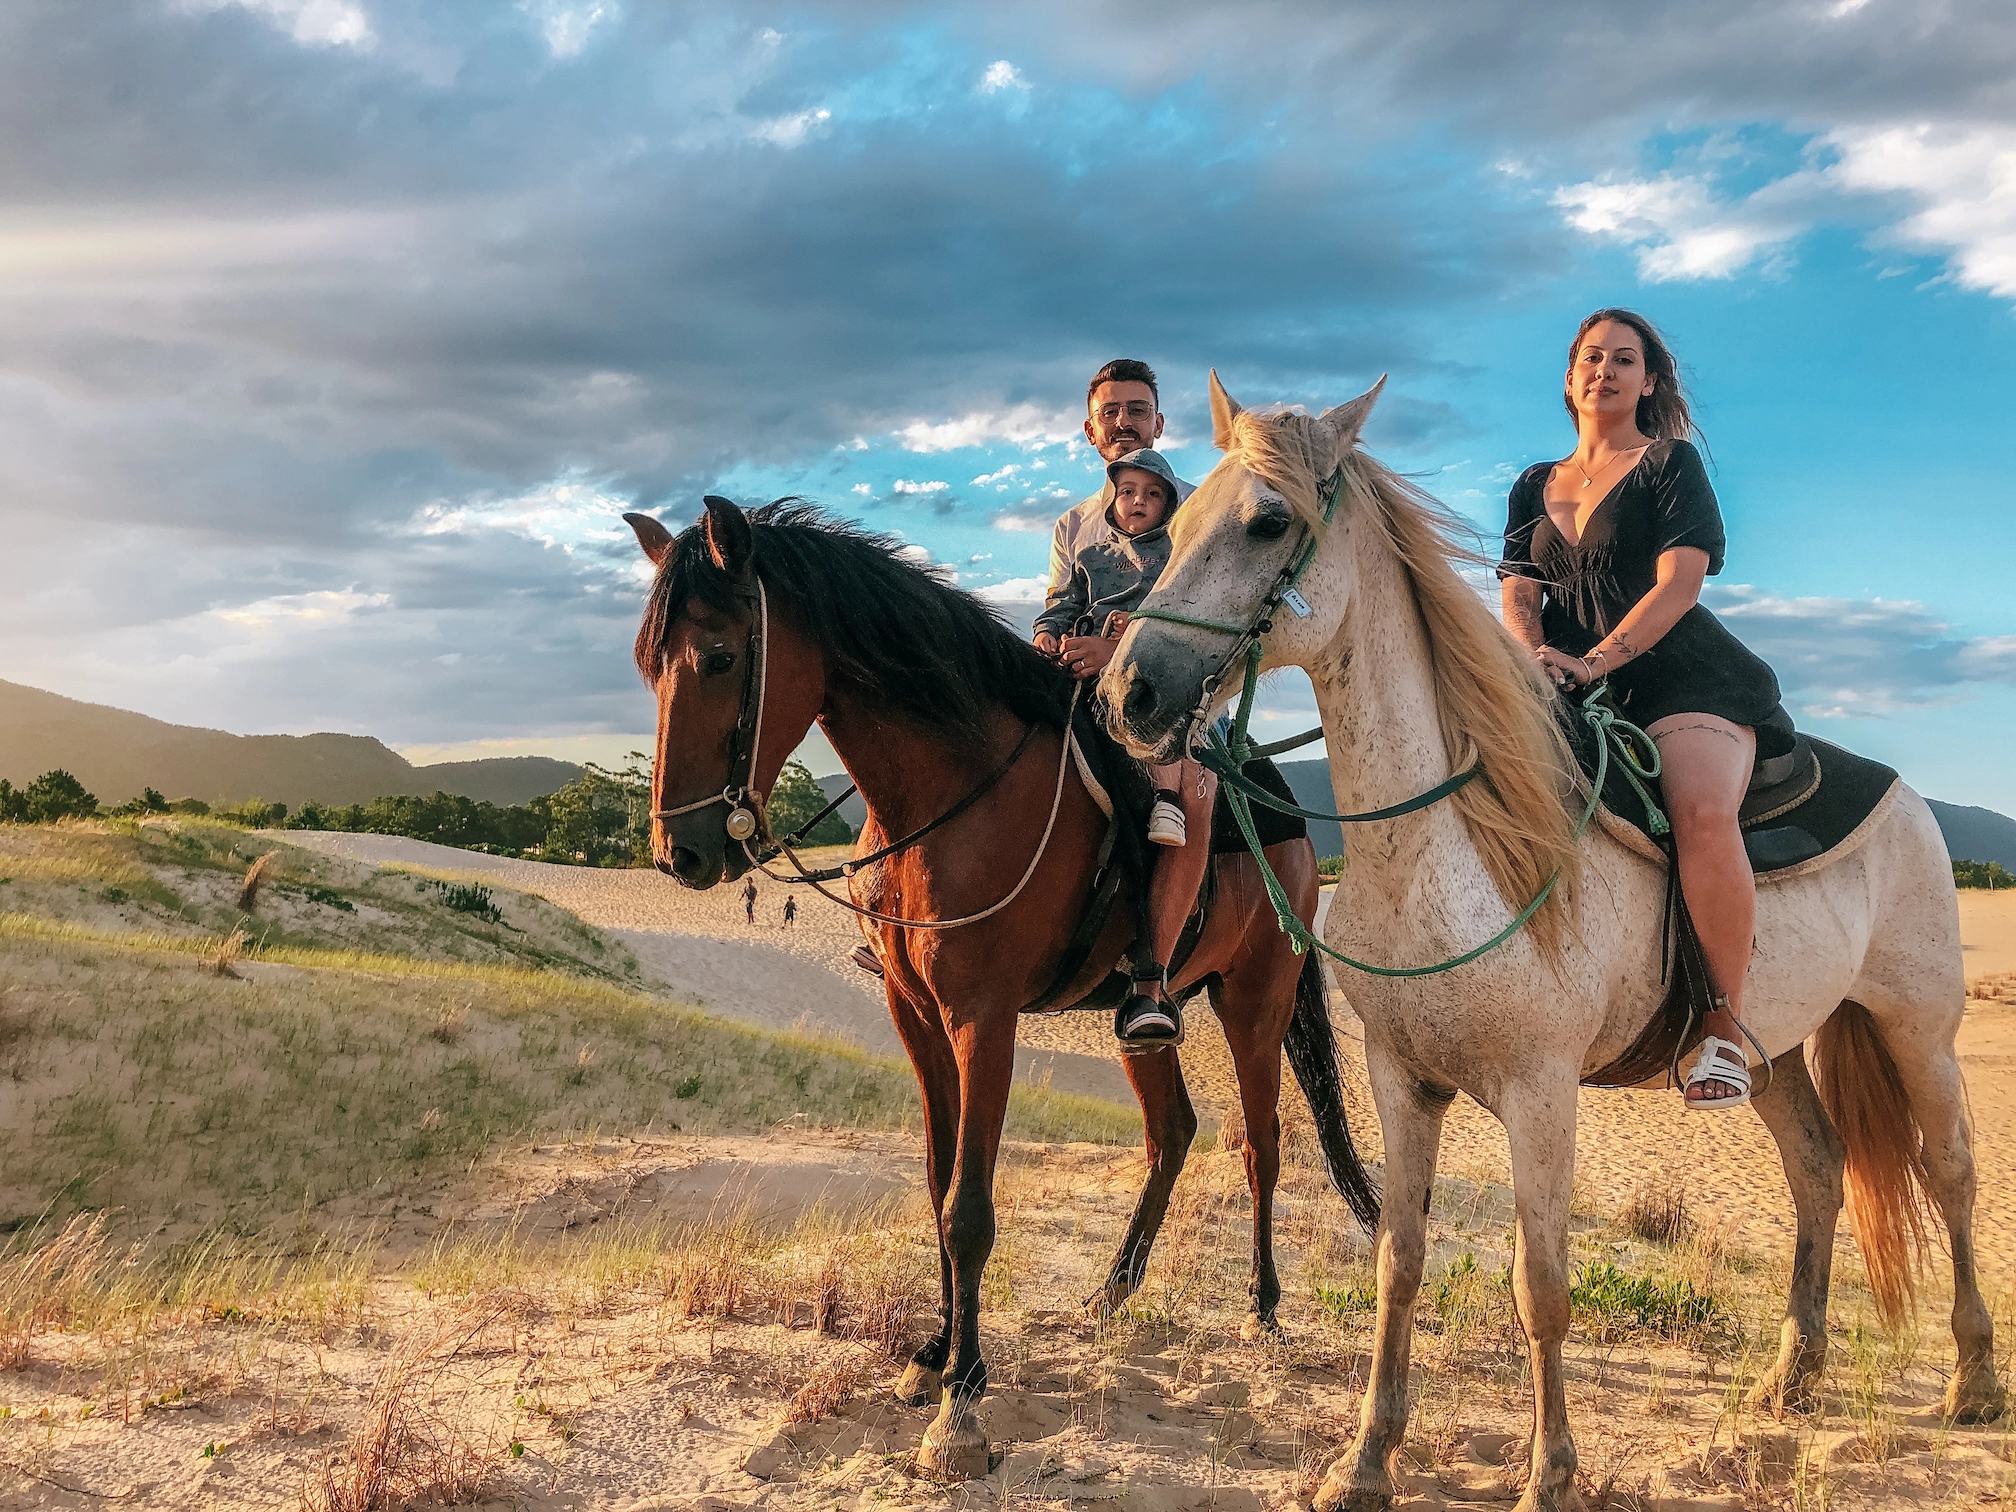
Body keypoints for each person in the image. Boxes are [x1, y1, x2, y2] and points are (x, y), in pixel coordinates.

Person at [1498, 308, 1790, 1111]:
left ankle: (1725, 1032)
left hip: (1678, 677)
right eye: (1591, 358)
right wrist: (1531, 657)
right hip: (1561, 671)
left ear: (1648, 380)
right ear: (1569, 378)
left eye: (1624, 360)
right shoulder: (1533, 482)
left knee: (1699, 811)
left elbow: (1680, 584)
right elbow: (1520, 587)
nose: (1605, 370)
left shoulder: (1670, 463)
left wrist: (1594, 661)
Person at [1034, 364, 1214, 1047]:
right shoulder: (1072, 525)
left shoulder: (1199, 510)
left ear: (1160, 424)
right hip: (1083, 673)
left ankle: (1150, 982)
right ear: (1089, 431)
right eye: (1111, 412)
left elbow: (1210, 614)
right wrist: (1050, 635)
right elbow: (1062, 601)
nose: (1124, 421)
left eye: (1138, 410)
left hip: (1180, 690)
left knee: (1195, 797)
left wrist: (1125, 653)